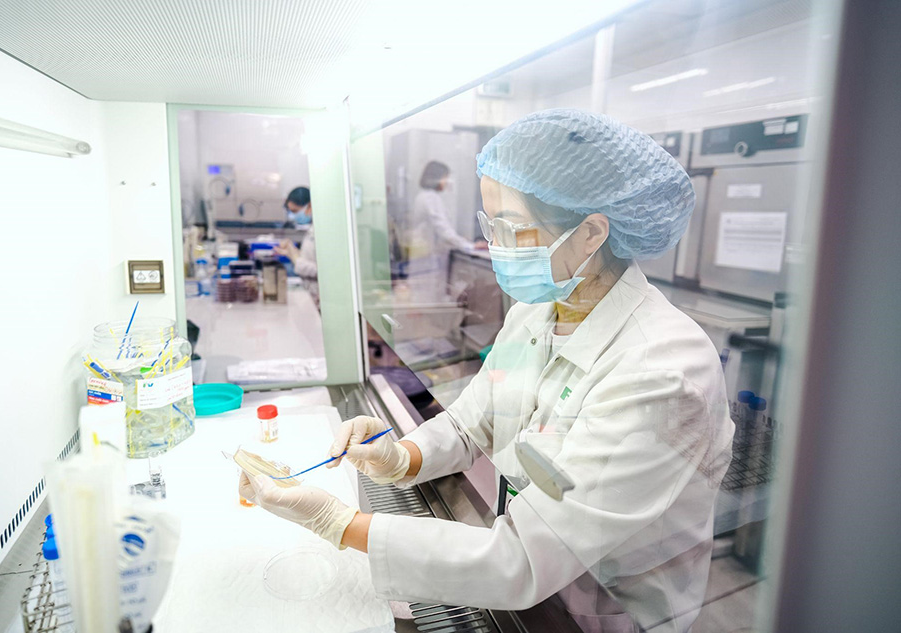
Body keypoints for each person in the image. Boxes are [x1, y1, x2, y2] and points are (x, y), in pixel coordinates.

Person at [239, 110, 734, 632]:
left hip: (610, 613)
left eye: (511, 228)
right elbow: (471, 422)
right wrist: (401, 457)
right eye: (488, 225)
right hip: (526, 587)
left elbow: (521, 558)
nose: (495, 245)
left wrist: (337, 523)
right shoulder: (536, 313)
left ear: (590, 233)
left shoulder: (662, 372)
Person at [403, 161, 483, 302]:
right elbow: (444, 231)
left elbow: (440, 229)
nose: (447, 182)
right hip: (429, 260)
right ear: (437, 177)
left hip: (427, 258)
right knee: (428, 298)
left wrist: (460, 239)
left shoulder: (424, 196)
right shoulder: (430, 198)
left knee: (425, 297)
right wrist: (470, 246)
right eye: (446, 177)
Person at [274, 187, 319, 307]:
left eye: (295, 211)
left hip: (320, 297)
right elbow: (311, 258)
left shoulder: (322, 231)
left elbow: (323, 271)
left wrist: (296, 259)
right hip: (312, 295)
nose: (293, 216)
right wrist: (290, 252)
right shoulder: (312, 229)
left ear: (310, 206)